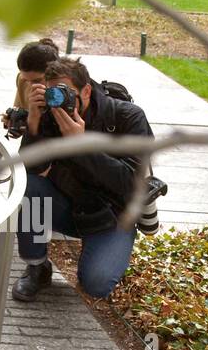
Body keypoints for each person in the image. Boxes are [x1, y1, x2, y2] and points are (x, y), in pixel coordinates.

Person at [12, 58, 153, 301]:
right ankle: (38, 267)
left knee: (97, 283)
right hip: (70, 206)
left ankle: (100, 248)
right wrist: (33, 123)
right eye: (53, 92)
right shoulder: (51, 113)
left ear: (86, 90)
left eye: (66, 92)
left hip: (114, 214)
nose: (59, 99)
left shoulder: (127, 117)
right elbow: (31, 167)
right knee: (28, 186)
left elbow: (132, 184)